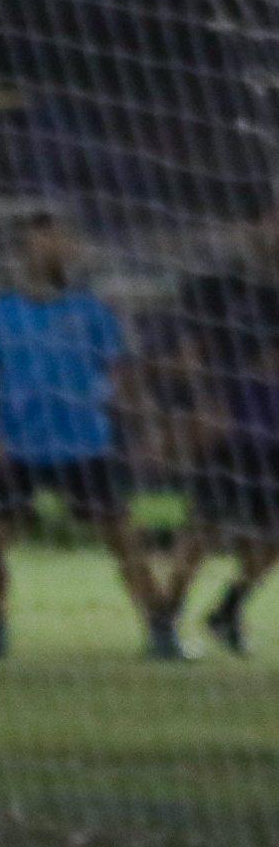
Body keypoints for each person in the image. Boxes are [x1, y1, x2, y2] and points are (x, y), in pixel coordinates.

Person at [0, 212, 174, 657]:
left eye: (60, 241)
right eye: (43, 241)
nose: (53, 249)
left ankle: (159, 632)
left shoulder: (92, 310)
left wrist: (139, 426)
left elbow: (121, 372)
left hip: (85, 443)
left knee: (123, 539)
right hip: (20, 444)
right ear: (24, 249)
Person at [155, 211, 279, 654]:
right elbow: (185, 355)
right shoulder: (216, 289)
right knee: (202, 526)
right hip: (227, 429)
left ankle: (227, 610)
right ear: (250, 227)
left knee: (273, 535)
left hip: (274, 432)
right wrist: (201, 401)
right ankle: (166, 619)